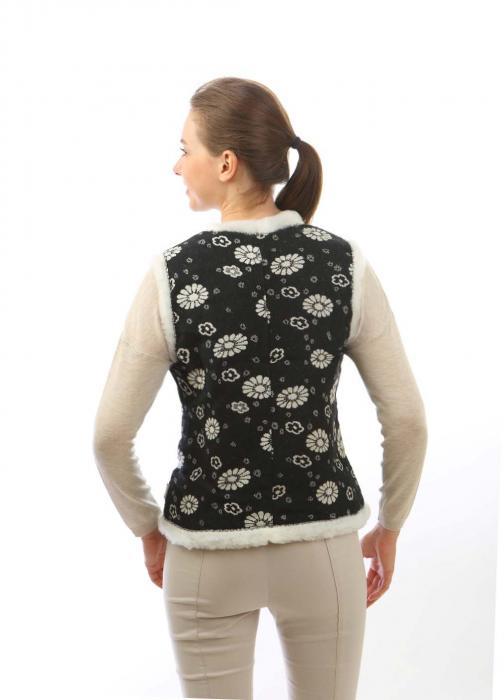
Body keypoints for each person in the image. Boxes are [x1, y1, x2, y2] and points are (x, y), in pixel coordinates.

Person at [93, 76, 428, 700]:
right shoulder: (343, 264)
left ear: (225, 163)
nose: (177, 165)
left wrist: (147, 527)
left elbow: (110, 436)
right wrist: (390, 525)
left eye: (185, 149)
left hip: (205, 549)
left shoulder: (173, 273)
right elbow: (407, 419)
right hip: (323, 542)